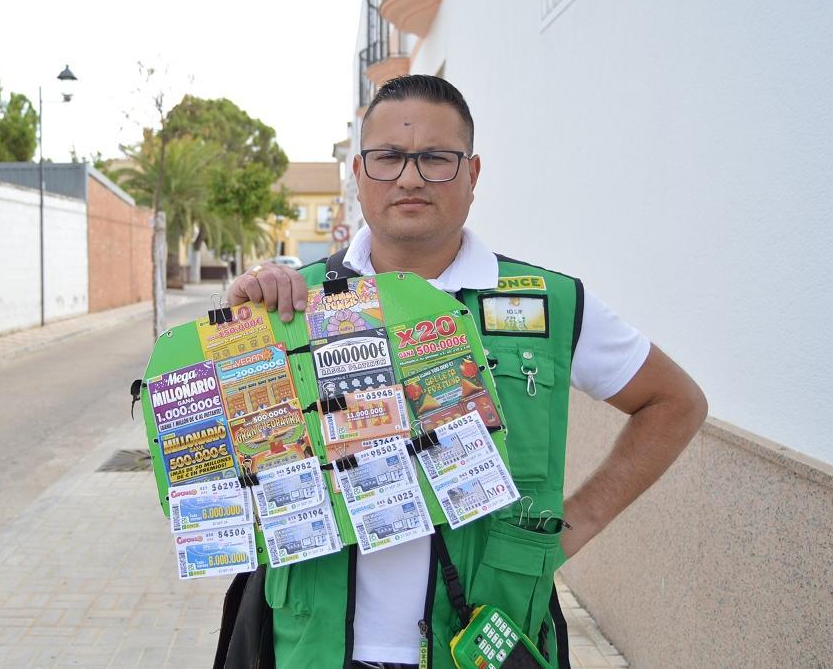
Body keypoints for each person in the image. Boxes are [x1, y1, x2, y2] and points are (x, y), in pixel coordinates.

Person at [215, 75, 707, 669]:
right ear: (359, 174)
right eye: (389, 157)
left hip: (485, 642)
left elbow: (675, 403)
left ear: (472, 175)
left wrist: (568, 529)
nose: (411, 176)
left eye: (436, 159)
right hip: (311, 646)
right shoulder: (294, 305)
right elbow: (222, 463)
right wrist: (238, 335)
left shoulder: (546, 304)